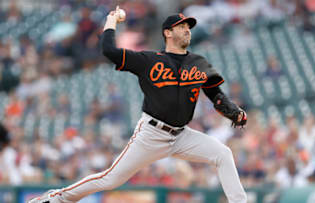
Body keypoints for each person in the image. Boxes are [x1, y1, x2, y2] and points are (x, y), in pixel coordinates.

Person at [30, 6, 248, 203]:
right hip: (152, 134)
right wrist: (111, 21)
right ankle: (56, 198)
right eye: (181, 26)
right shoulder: (149, 59)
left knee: (223, 154)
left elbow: (215, 94)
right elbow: (109, 51)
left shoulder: (198, 63)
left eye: (188, 27)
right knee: (110, 179)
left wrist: (233, 113)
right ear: (167, 33)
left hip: (182, 135)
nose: (187, 30)